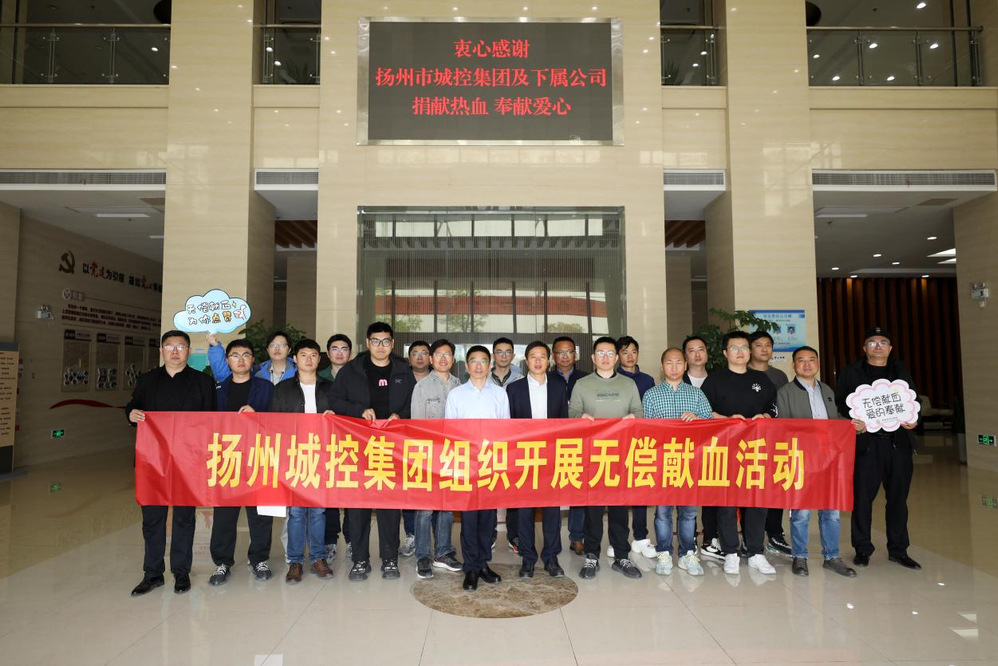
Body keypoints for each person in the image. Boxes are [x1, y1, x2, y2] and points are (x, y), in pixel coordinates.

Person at [127, 330, 216, 596]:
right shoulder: (147, 380)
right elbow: (133, 406)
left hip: (188, 461)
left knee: (184, 518)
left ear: (188, 350)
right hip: (152, 460)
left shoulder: (202, 382)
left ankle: (181, 571)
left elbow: (210, 421)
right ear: (161, 351)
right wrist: (131, 414)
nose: (175, 351)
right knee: (152, 518)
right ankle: (152, 573)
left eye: (180, 346)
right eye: (169, 346)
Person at [330, 322, 416, 581]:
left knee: (390, 504)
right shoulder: (352, 370)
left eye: (386, 341)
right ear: (367, 343)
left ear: (392, 344)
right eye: (375, 341)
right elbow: (335, 400)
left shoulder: (403, 370)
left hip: (392, 447)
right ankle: (360, 559)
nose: (381, 346)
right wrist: (359, 411)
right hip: (358, 446)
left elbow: (414, 403)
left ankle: (389, 558)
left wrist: (400, 415)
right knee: (358, 506)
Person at [835, 326, 921, 570]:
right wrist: (852, 422)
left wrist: (914, 420)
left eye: (883, 342)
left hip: (898, 443)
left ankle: (899, 549)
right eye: (872, 342)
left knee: (898, 498)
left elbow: (913, 400)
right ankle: (862, 549)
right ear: (864, 348)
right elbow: (840, 404)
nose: (878, 346)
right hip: (866, 445)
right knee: (862, 499)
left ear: (890, 348)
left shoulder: (900, 371)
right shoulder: (851, 372)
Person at [777, 346, 861, 578]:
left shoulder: (826, 390)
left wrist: (852, 425)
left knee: (831, 511)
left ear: (818, 364)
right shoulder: (785, 392)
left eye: (811, 360)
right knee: (801, 512)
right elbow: (782, 426)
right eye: (801, 360)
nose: (807, 364)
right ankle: (800, 557)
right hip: (801, 459)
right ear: (794, 365)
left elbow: (834, 420)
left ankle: (832, 557)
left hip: (829, 459)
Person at [700, 330, 778, 576]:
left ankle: (755, 552)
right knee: (727, 501)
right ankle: (730, 552)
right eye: (734, 348)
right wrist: (726, 419)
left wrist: (765, 416)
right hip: (725, 449)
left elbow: (773, 409)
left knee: (757, 500)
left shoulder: (761, 379)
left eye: (744, 347)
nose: (740, 352)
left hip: (756, 449)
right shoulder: (714, 380)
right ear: (725, 353)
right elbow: (704, 411)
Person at [569, 336, 643, 580]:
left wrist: (634, 419)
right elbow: (572, 414)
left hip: (621, 457)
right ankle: (592, 556)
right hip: (592, 458)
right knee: (593, 510)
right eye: (600, 353)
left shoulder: (628, 384)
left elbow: (639, 413)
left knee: (620, 510)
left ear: (617, 357)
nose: (605, 357)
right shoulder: (581, 384)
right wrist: (580, 419)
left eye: (610, 353)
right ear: (593, 358)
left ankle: (622, 555)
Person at [208, 339, 276, 585]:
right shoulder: (217, 388)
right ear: (227, 360)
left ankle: (259, 559)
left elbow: (278, 420)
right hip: (227, 458)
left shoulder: (266, 387)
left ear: (253, 360)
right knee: (224, 514)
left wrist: (258, 416)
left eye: (246, 355)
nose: (241, 359)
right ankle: (222, 562)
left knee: (260, 513)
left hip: (258, 456)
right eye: (235, 355)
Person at [641, 347, 711, 577]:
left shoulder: (697, 394)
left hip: (690, 462)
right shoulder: (651, 395)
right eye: (669, 363)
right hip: (662, 462)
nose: (674, 367)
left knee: (688, 512)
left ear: (685, 365)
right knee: (662, 512)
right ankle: (664, 552)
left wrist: (698, 420)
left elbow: (711, 426)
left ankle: (687, 553)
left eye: (678, 362)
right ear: (662, 367)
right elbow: (645, 430)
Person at [270, 338, 335, 584]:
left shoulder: (330, 388)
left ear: (319, 359)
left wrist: (335, 416)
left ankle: (318, 558)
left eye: (313, 355)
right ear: (295, 359)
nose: (309, 359)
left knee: (318, 511)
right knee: (296, 512)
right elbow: (274, 424)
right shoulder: (283, 389)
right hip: (293, 457)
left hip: (322, 456)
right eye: (304, 355)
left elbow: (342, 422)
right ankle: (295, 561)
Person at [445, 345, 510, 591]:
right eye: (474, 361)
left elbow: (505, 430)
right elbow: (450, 431)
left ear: (490, 364)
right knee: (469, 518)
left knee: (487, 518)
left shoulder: (500, 394)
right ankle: (470, 567)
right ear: (466, 365)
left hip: (491, 463)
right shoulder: (456, 395)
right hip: (466, 464)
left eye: (484, 361)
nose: (479, 365)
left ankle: (483, 564)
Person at [506, 341, 568, 578]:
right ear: (526, 361)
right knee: (525, 511)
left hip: (551, 457)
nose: (538, 361)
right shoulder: (514, 389)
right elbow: (508, 427)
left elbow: (564, 422)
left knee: (552, 511)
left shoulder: (559, 386)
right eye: (533, 356)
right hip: (523, 458)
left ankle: (551, 558)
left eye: (542, 356)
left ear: (549, 360)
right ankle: (528, 558)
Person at [409, 338, 463, 579]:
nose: (443, 358)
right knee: (425, 508)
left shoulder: (461, 386)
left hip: (453, 456)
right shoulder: (421, 387)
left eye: (447, 354)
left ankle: (443, 552)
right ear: (431, 359)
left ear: (453, 359)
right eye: (438, 354)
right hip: (428, 455)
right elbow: (416, 427)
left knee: (447, 507)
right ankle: (422, 555)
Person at [747, 330, 792, 558]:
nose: (764, 349)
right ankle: (749, 537)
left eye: (768, 345)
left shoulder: (780, 376)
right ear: (750, 349)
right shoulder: (742, 373)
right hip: (747, 443)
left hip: (774, 441)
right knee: (749, 489)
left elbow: (782, 408)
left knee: (775, 487)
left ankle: (775, 534)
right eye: (759, 345)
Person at [616, 335, 655, 559]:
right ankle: (619, 539)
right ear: (618, 355)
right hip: (618, 442)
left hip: (642, 441)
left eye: (633, 352)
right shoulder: (612, 378)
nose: (630, 356)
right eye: (625, 352)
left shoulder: (648, 380)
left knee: (641, 490)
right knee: (619, 491)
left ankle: (641, 537)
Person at [550, 335, 589, 556]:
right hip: (552, 442)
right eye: (560, 352)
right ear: (553, 355)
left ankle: (577, 536)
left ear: (575, 354)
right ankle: (552, 537)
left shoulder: (587, 379)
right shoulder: (545, 378)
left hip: (580, 441)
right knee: (552, 489)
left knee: (578, 489)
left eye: (569, 352)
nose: (565, 356)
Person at [682, 335, 720, 561]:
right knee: (687, 494)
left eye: (701, 349)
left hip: (712, 446)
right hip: (686, 448)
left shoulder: (719, 380)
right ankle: (689, 539)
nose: (697, 354)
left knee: (711, 492)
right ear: (685, 356)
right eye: (691, 350)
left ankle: (710, 538)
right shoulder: (678, 380)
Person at [318, 333, 352, 560]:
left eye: (344, 349)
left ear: (350, 353)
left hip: (351, 442)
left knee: (350, 492)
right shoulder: (318, 377)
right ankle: (330, 540)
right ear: (328, 353)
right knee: (328, 493)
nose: (339, 353)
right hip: (325, 443)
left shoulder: (357, 376)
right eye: (335, 349)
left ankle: (351, 539)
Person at [490, 337, 522, 553]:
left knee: (514, 489)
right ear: (493, 355)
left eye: (507, 352)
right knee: (489, 487)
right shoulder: (482, 377)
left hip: (514, 444)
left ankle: (514, 535)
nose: (503, 355)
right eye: (499, 352)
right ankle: (489, 533)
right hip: (488, 444)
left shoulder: (522, 380)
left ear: (513, 355)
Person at [400, 340, 432, 558]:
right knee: (410, 490)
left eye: (424, 353)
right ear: (409, 358)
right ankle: (411, 534)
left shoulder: (440, 380)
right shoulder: (400, 379)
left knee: (435, 490)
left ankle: (437, 537)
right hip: (406, 443)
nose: (419, 357)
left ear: (430, 357)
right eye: (415, 353)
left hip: (436, 445)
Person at [207, 330, 296, 385]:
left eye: (282, 345)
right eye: (272, 345)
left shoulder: (299, 371)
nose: (277, 348)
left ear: (289, 350)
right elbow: (225, 377)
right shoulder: (257, 371)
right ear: (267, 349)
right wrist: (215, 347)